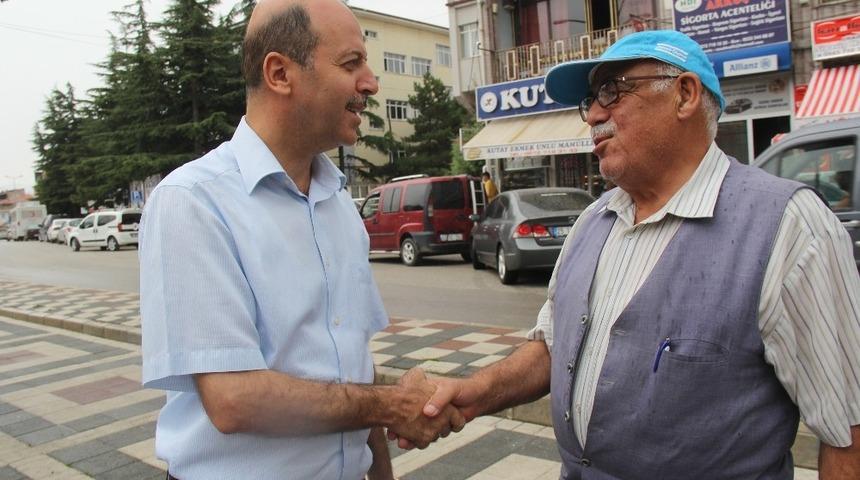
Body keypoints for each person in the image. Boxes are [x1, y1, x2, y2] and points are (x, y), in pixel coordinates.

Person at [412, 30, 860, 478]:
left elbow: (848, 434)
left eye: (612, 91)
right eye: (590, 100)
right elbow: (553, 347)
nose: (593, 116)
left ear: (684, 94)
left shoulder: (791, 226)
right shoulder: (592, 221)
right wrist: (473, 391)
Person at [139, 1, 463, 478]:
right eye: (352, 64)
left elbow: (355, 364)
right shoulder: (193, 202)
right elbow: (234, 400)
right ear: (280, 73)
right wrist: (393, 406)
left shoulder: (337, 201)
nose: (371, 82)